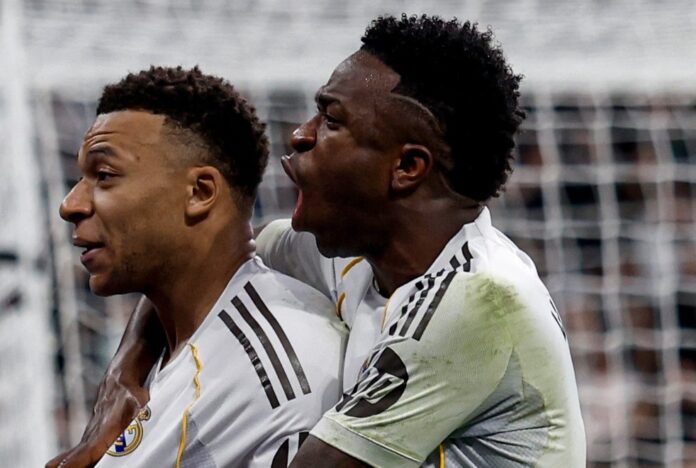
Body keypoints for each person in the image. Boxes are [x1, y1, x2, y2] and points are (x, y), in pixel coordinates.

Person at [50, 14, 586, 468]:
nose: (300, 134)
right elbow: (195, 257)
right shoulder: (359, 257)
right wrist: (125, 373)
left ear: (406, 167)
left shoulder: (477, 300)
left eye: (331, 119)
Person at [50, 66, 346, 468]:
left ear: (200, 192)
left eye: (104, 175)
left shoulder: (275, 379)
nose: (70, 204)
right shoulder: (179, 341)